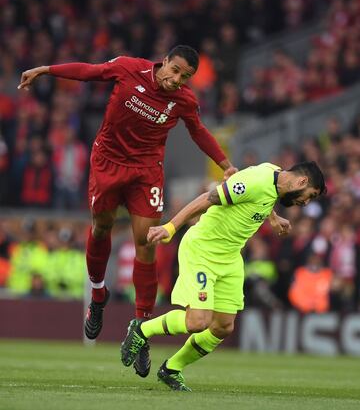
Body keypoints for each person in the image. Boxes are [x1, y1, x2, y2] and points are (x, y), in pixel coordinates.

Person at [18, 45, 239, 377]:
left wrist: (226, 165)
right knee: (101, 227)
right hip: (107, 162)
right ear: (164, 62)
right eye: (175, 70)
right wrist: (47, 69)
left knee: (146, 243)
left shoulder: (184, 101)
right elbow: (89, 71)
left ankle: (142, 330)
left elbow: (199, 132)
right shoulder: (128, 69)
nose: (176, 79)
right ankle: (98, 293)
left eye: (185, 77)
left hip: (146, 171)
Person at [120, 161, 326, 391]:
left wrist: (273, 217)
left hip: (230, 258)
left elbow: (265, 195)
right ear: (302, 181)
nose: (305, 202)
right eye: (310, 195)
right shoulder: (256, 180)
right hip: (203, 251)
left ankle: (171, 369)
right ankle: (140, 331)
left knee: (223, 327)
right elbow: (207, 198)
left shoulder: (274, 175)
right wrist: (170, 227)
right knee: (198, 322)